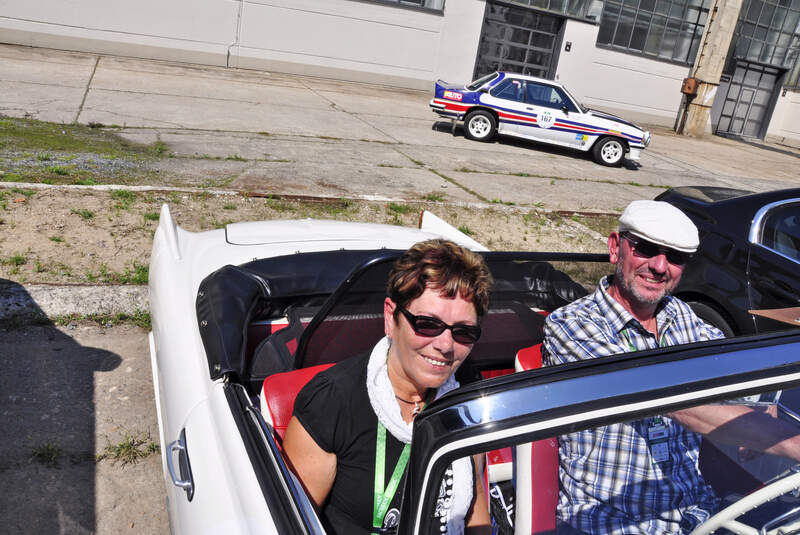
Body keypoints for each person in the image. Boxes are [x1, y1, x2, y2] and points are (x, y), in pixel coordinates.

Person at [543, 200, 800, 535]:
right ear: (614, 247)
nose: (660, 266)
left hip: (697, 513)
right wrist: (791, 442)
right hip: (614, 522)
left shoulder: (681, 316)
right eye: (645, 249)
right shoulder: (572, 325)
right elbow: (670, 399)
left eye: (675, 256)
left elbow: (736, 367)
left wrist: (764, 404)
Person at [283, 239, 493, 535]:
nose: (445, 345)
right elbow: (294, 524)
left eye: (463, 331)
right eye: (427, 324)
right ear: (390, 317)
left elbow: (475, 498)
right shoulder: (333, 402)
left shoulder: (467, 390)